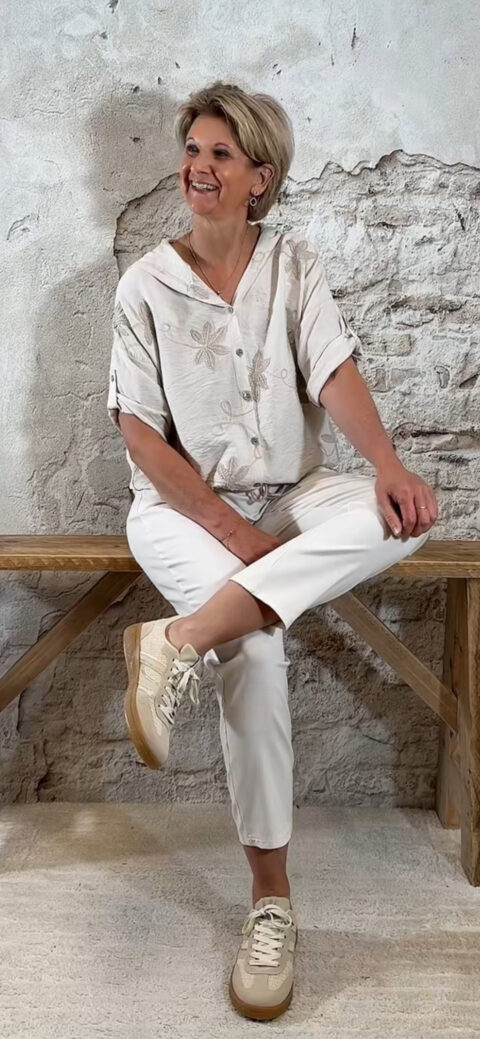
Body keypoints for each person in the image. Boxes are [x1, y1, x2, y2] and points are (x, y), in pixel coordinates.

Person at [107, 79, 436, 1021]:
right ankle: (272, 901)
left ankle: (178, 639)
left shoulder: (294, 263)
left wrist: (388, 465)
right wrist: (234, 533)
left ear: (261, 176)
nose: (198, 167)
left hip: (292, 493)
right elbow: (141, 436)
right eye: (193, 150)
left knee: (404, 515)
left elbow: (334, 373)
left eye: (221, 154)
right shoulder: (145, 285)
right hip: (180, 509)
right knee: (254, 641)